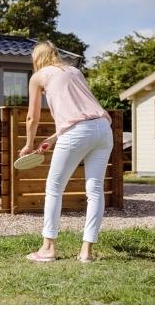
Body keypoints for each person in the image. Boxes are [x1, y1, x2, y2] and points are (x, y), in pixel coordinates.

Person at [20, 41, 113, 263]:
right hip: (103, 128)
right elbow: (83, 112)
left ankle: (48, 249)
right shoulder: (75, 71)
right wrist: (52, 138)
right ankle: (86, 252)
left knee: (53, 188)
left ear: (37, 59)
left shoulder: (39, 76)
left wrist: (29, 144)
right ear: (54, 54)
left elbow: (33, 117)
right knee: (95, 191)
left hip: (77, 132)